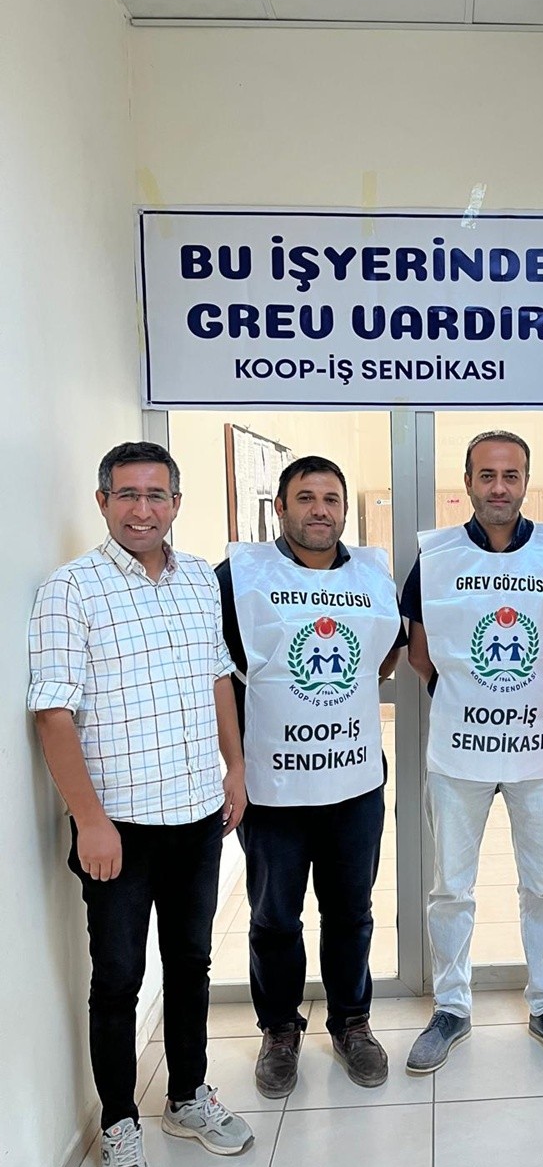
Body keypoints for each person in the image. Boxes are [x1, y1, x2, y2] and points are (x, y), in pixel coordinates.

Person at [28, 442, 253, 1167]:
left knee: (190, 962)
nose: (142, 508)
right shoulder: (71, 589)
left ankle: (187, 1094)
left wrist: (235, 766)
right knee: (119, 977)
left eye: (157, 494)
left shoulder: (197, 580)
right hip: (117, 828)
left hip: (196, 814)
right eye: (127, 494)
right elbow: (53, 713)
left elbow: (217, 675)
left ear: (176, 504)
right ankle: (120, 1121)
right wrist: (89, 819)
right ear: (103, 502)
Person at [402, 430, 543, 1074]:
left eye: (511, 475)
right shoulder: (437, 559)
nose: (499, 487)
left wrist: (526, 692)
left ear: (526, 482)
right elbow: (421, 653)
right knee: (451, 888)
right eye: (487, 475)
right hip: (460, 750)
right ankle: (451, 1007)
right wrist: (473, 695)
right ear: (468, 483)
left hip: (536, 748)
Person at [216, 456, 404, 1097]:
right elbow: (219, 674)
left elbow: (383, 656)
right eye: (305, 497)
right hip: (274, 786)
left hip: (354, 781)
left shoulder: (371, 575)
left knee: (351, 911)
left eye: (331, 499)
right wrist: (234, 764)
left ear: (344, 510)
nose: (320, 510)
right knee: (274, 916)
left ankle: (352, 1022)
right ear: (280, 507)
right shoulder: (240, 577)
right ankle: (279, 1030)